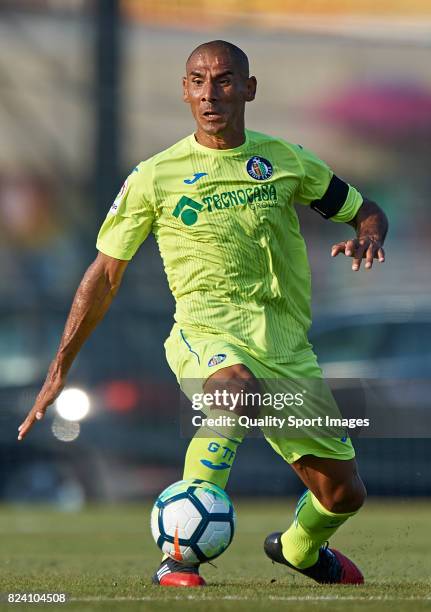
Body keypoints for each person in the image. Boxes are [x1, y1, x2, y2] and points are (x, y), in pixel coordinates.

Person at [18, 40, 388, 588]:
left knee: (343, 493)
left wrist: (368, 238)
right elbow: (104, 275)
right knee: (235, 391)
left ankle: (298, 548)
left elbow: (365, 212)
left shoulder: (286, 160)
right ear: (185, 90)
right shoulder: (155, 175)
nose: (210, 93)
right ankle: (177, 555)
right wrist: (58, 369)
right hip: (206, 335)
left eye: (224, 80)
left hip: (287, 349)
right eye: (197, 80)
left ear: (249, 88)